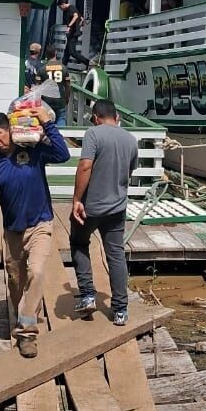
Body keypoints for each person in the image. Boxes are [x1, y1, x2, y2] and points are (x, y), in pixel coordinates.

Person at [0, 107, 70, 358]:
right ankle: (20, 314)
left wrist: (47, 122)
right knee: (16, 279)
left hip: (40, 224)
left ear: (9, 129)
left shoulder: (32, 149)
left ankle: (27, 333)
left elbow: (63, 154)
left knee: (36, 272)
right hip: (12, 231)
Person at [70, 99, 138, 326]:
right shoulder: (130, 139)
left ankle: (88, 295)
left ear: (96, 117)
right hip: (117, 208)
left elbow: (85, 166)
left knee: (79, 243)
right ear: (117, 117)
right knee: (116, 255)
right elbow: (129, 171)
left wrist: (77, 199)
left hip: (91, 206)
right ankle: (120, 310)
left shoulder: (93, 133)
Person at [56, 0, 92, 69]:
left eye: (60, 7)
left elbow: (76, 16)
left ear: (63, 4)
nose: (60, 9)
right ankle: (63, 67)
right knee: (67, 53)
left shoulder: (71, 8)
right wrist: (81, 22)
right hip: (71, 34)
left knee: (72, 52)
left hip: (73, 34)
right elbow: (81, 18)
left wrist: (69, 26)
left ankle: (88, 62)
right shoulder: (70, 9)